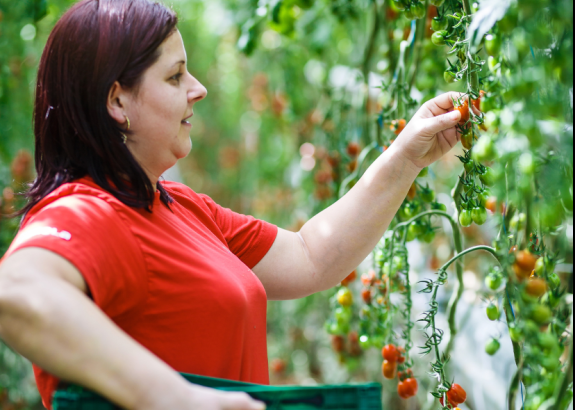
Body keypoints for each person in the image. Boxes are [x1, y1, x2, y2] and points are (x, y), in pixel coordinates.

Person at [0, 0, 464, 409]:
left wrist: (406, 157)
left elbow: (310, 256)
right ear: (117, 101)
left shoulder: (179, 206)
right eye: (175, 75)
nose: (197, 88)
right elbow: (15, 295)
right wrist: (174, 399)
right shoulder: (87, 212)